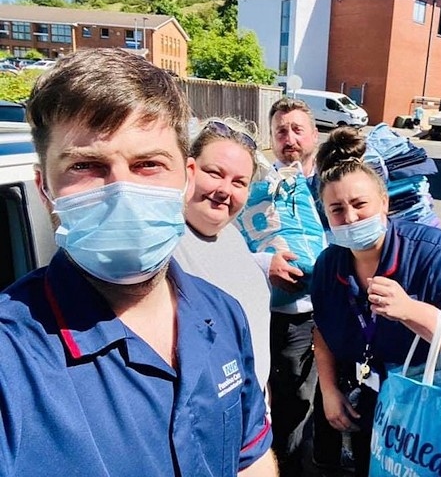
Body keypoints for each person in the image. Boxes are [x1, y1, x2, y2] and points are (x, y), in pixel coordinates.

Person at [0, 48, 276, 476]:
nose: (121, 192)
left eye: (148, 164)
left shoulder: (222, 313)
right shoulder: (12, 357)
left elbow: (250, 459)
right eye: (86, 166)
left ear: (184, 178)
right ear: (44, 188)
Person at [310, 127, 441, 477]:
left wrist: (411, 311)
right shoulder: (329, 264)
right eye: (337, 209)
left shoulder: (435, 250)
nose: (350, 218)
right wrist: (329, 389)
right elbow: (322, 329)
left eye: (360, 204)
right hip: (377, 400)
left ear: (384, 202)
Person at [173, 118, 272, 393]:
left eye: (239, 182)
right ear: (189, 169)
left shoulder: (233, 237)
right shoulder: (164, 242)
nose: (225, 190)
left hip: (253, 413)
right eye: (215, 173)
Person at [253, 97, 321, 476]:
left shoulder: (330, 185)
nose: (289, 138)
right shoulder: (260, 184)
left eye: (297, 129)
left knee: (312, 397)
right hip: (272, 313)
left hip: (320, 312)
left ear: (313, 134)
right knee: (277, 398)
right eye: (281, 131)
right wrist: (265, 264)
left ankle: (311, 461)